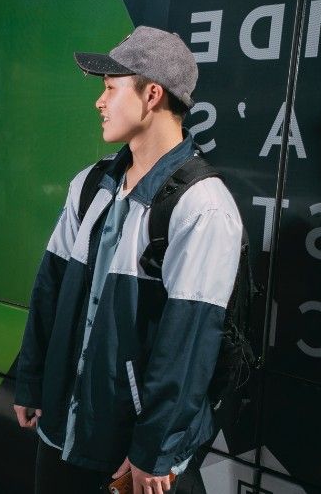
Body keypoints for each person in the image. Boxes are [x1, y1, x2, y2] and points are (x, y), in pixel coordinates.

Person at [12, 26, 243, 494]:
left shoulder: (204, 206)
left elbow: (189, 344)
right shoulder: (90, 185)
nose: (100, 102)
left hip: (128, 455)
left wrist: (154, 449)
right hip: (60, 433)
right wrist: (33, 379)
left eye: (111, 88)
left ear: (152, 94)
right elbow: (49, 289)